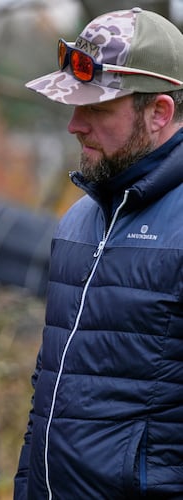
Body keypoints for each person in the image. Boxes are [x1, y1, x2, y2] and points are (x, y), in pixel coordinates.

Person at [14, 7, 183, 499]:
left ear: (159, 113)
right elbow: (47, 394)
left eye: (97, 109)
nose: (74, 125)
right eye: (73, 106)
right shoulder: (79, 220)